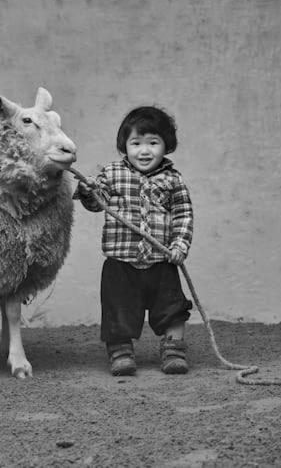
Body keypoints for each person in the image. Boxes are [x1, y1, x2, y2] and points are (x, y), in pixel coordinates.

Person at [74, 105, 193, 376]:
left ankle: (174, 350)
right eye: (136, 143)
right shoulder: (112, 174)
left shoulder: (173, 179)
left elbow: (183, 215)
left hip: (162, 262)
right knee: (118, 309)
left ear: (167, 146)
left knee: (173, 309)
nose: (144, 150)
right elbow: (96, 204)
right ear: (124, 146)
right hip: (121, 263)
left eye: (153, 142)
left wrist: (179, 246)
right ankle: (121, 353)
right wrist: (89, 190)